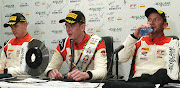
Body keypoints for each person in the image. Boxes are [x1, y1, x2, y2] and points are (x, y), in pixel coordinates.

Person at [118, 7, 179, 86]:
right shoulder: (139, 41)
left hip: (161, 82)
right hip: (138, 82)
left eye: (156, 20)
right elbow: (121, 58)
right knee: (107, 84)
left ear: (165, 25)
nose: (151, 23)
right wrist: (134, 37)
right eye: (149, 20)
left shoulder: (174, 43)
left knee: (162, 73)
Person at [45, 11, 107, 81]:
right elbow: (49, 68)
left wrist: (86, 75)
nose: (68, 30)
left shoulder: (97, 43)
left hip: (90, 84)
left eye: (71, 26)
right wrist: (51, 72)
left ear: (82, 27)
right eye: (66, 26)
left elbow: (102, 72)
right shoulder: (63, 44)